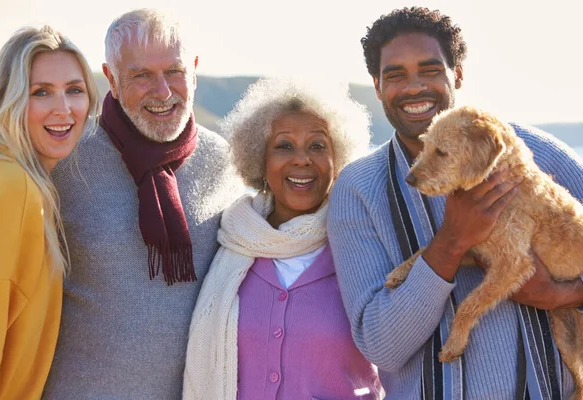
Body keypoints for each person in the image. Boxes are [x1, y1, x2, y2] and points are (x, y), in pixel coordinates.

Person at [327, 6, 583, 400]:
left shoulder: (538, 155)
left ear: (457, 74)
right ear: (377, 87)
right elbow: (382, 348)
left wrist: (562, 295)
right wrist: (451, 241)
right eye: (395, 75)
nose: (413, 88)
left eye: (430, 70)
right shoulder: (358, 188)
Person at [42, 9, 243, 398]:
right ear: (112, 79)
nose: (163, 91)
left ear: (195, 70)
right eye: (141, 75)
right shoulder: (66, 163)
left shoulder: (228, 162)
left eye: (175, 71)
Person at [183, 77, 382, 399]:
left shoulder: (363, 246)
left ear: (337, 160)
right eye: (284, 146)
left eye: (317, 146)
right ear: (260, 161)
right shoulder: (230, 242)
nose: (301, 159)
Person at [0, 25, 99, 399]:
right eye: (41, 92)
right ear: (8, 99)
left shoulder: (0, 174)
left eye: (75, 90)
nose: (63, 109)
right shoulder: (13, 190)